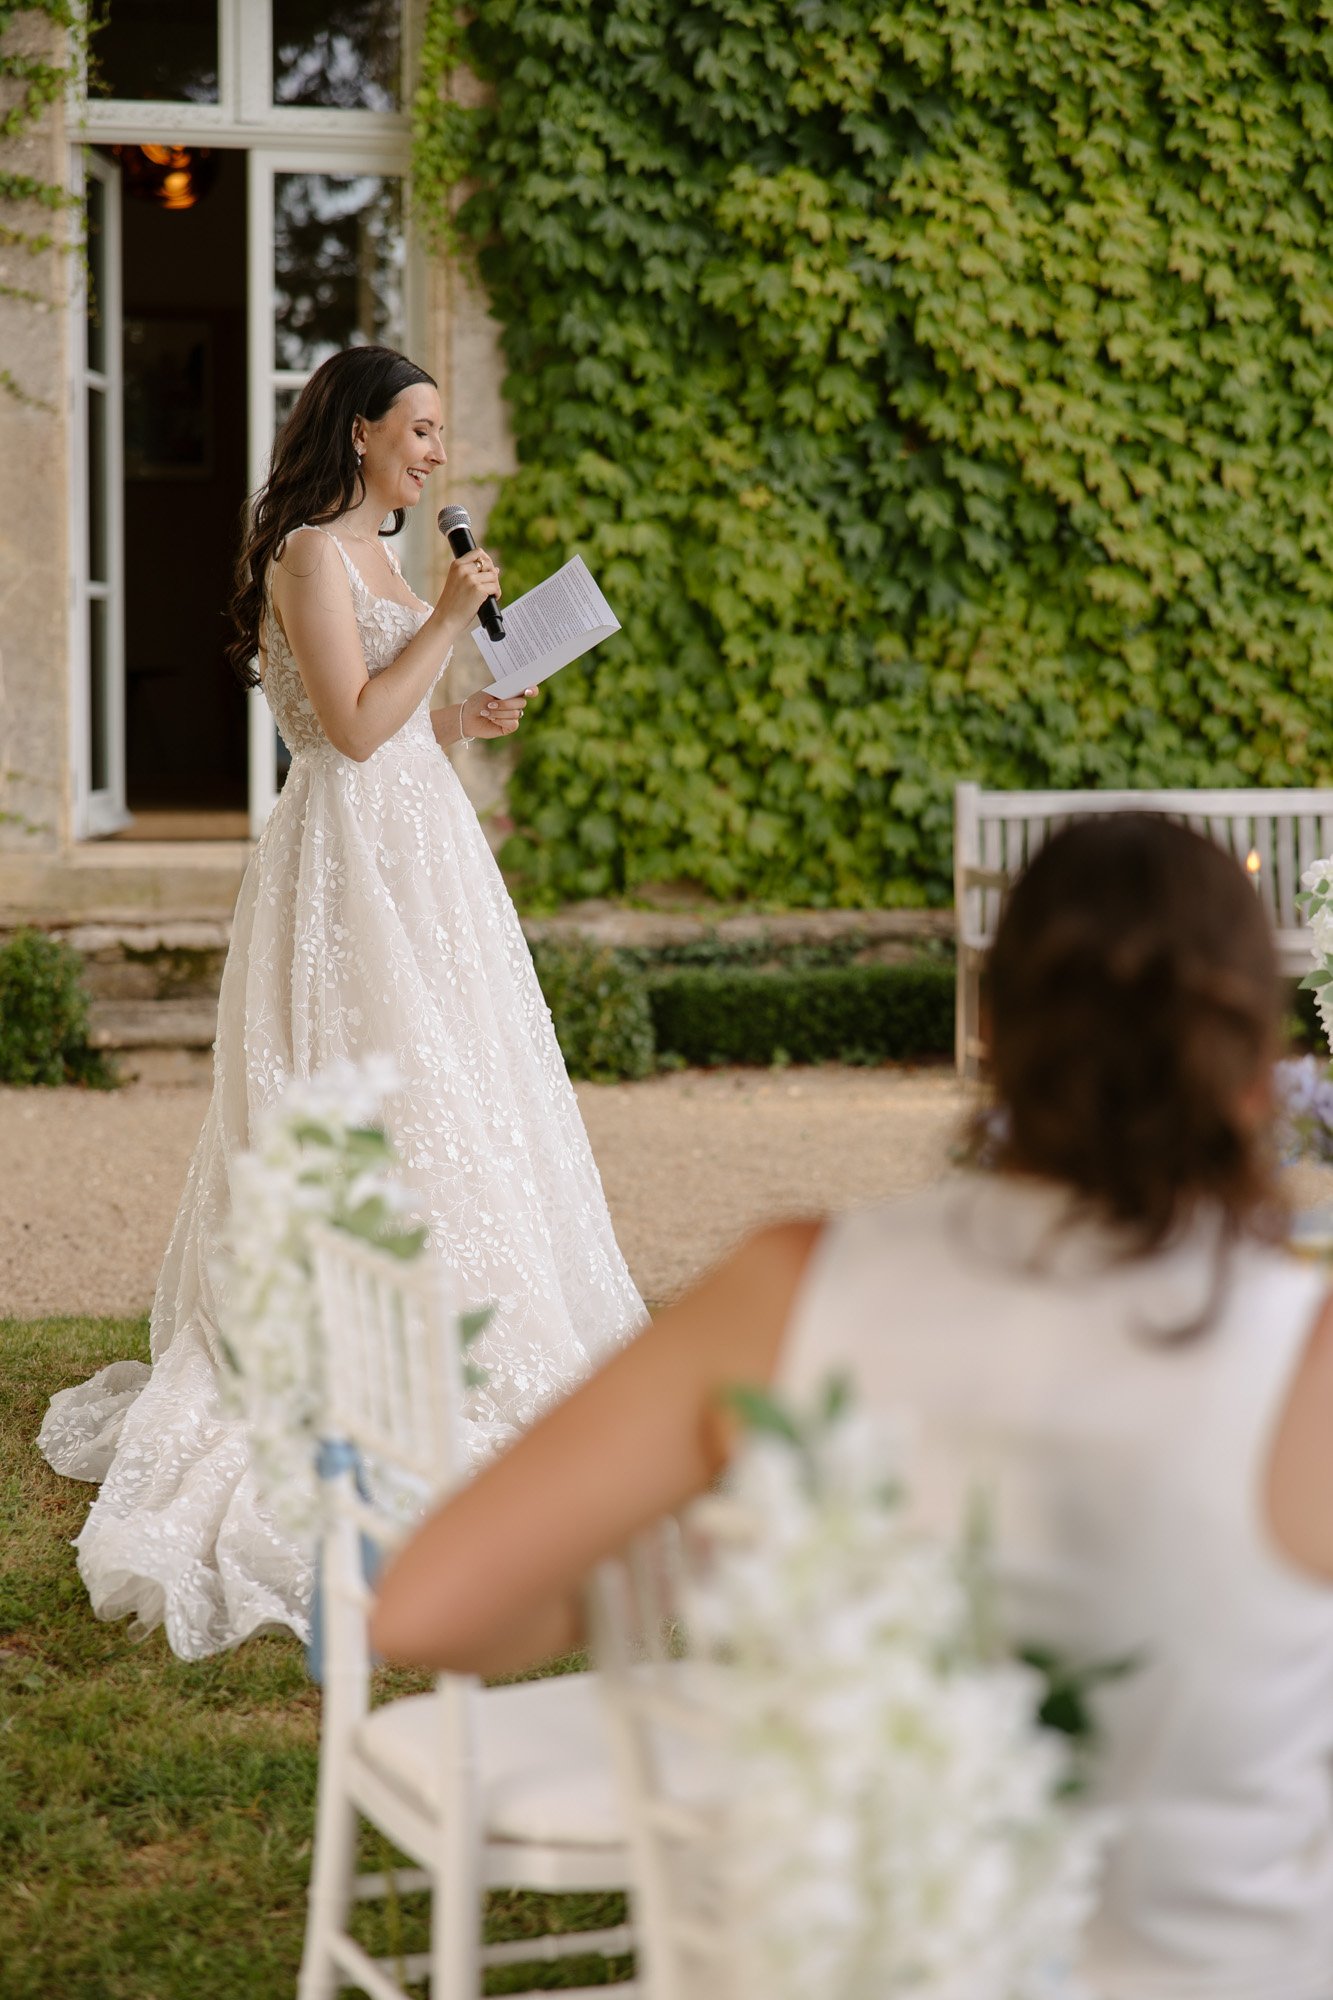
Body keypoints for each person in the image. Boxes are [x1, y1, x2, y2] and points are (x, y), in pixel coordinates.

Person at [371, 815, 1333, 2000]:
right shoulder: (1310, 1353)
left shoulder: (789, 1289)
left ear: (989, 1033)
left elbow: (427, 1607)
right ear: (1255, 1074)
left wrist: (651, 1581)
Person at [39, 345, 644, 1661]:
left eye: (441, 433)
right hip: (345, 869)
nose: (437, 452)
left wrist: (472, 714)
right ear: (358, 431)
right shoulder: (316, 553)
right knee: (374, 1095)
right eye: (418, 430)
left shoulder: (377, 555)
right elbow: (348, 731)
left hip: (426, 856)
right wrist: (445, 617)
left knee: (462, 1094)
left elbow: (407, 726)